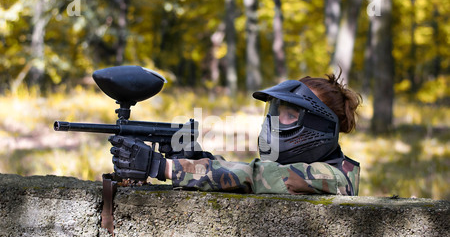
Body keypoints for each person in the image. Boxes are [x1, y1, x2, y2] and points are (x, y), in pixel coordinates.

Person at [109, 71, 362, 196]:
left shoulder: (333, 177)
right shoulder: (316, 169)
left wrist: (162, 167)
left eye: (289, 115)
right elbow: (248, 173)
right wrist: (195, 158)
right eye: (273, 112)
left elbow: (252, 176)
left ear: (320, 126)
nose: (274, 122)